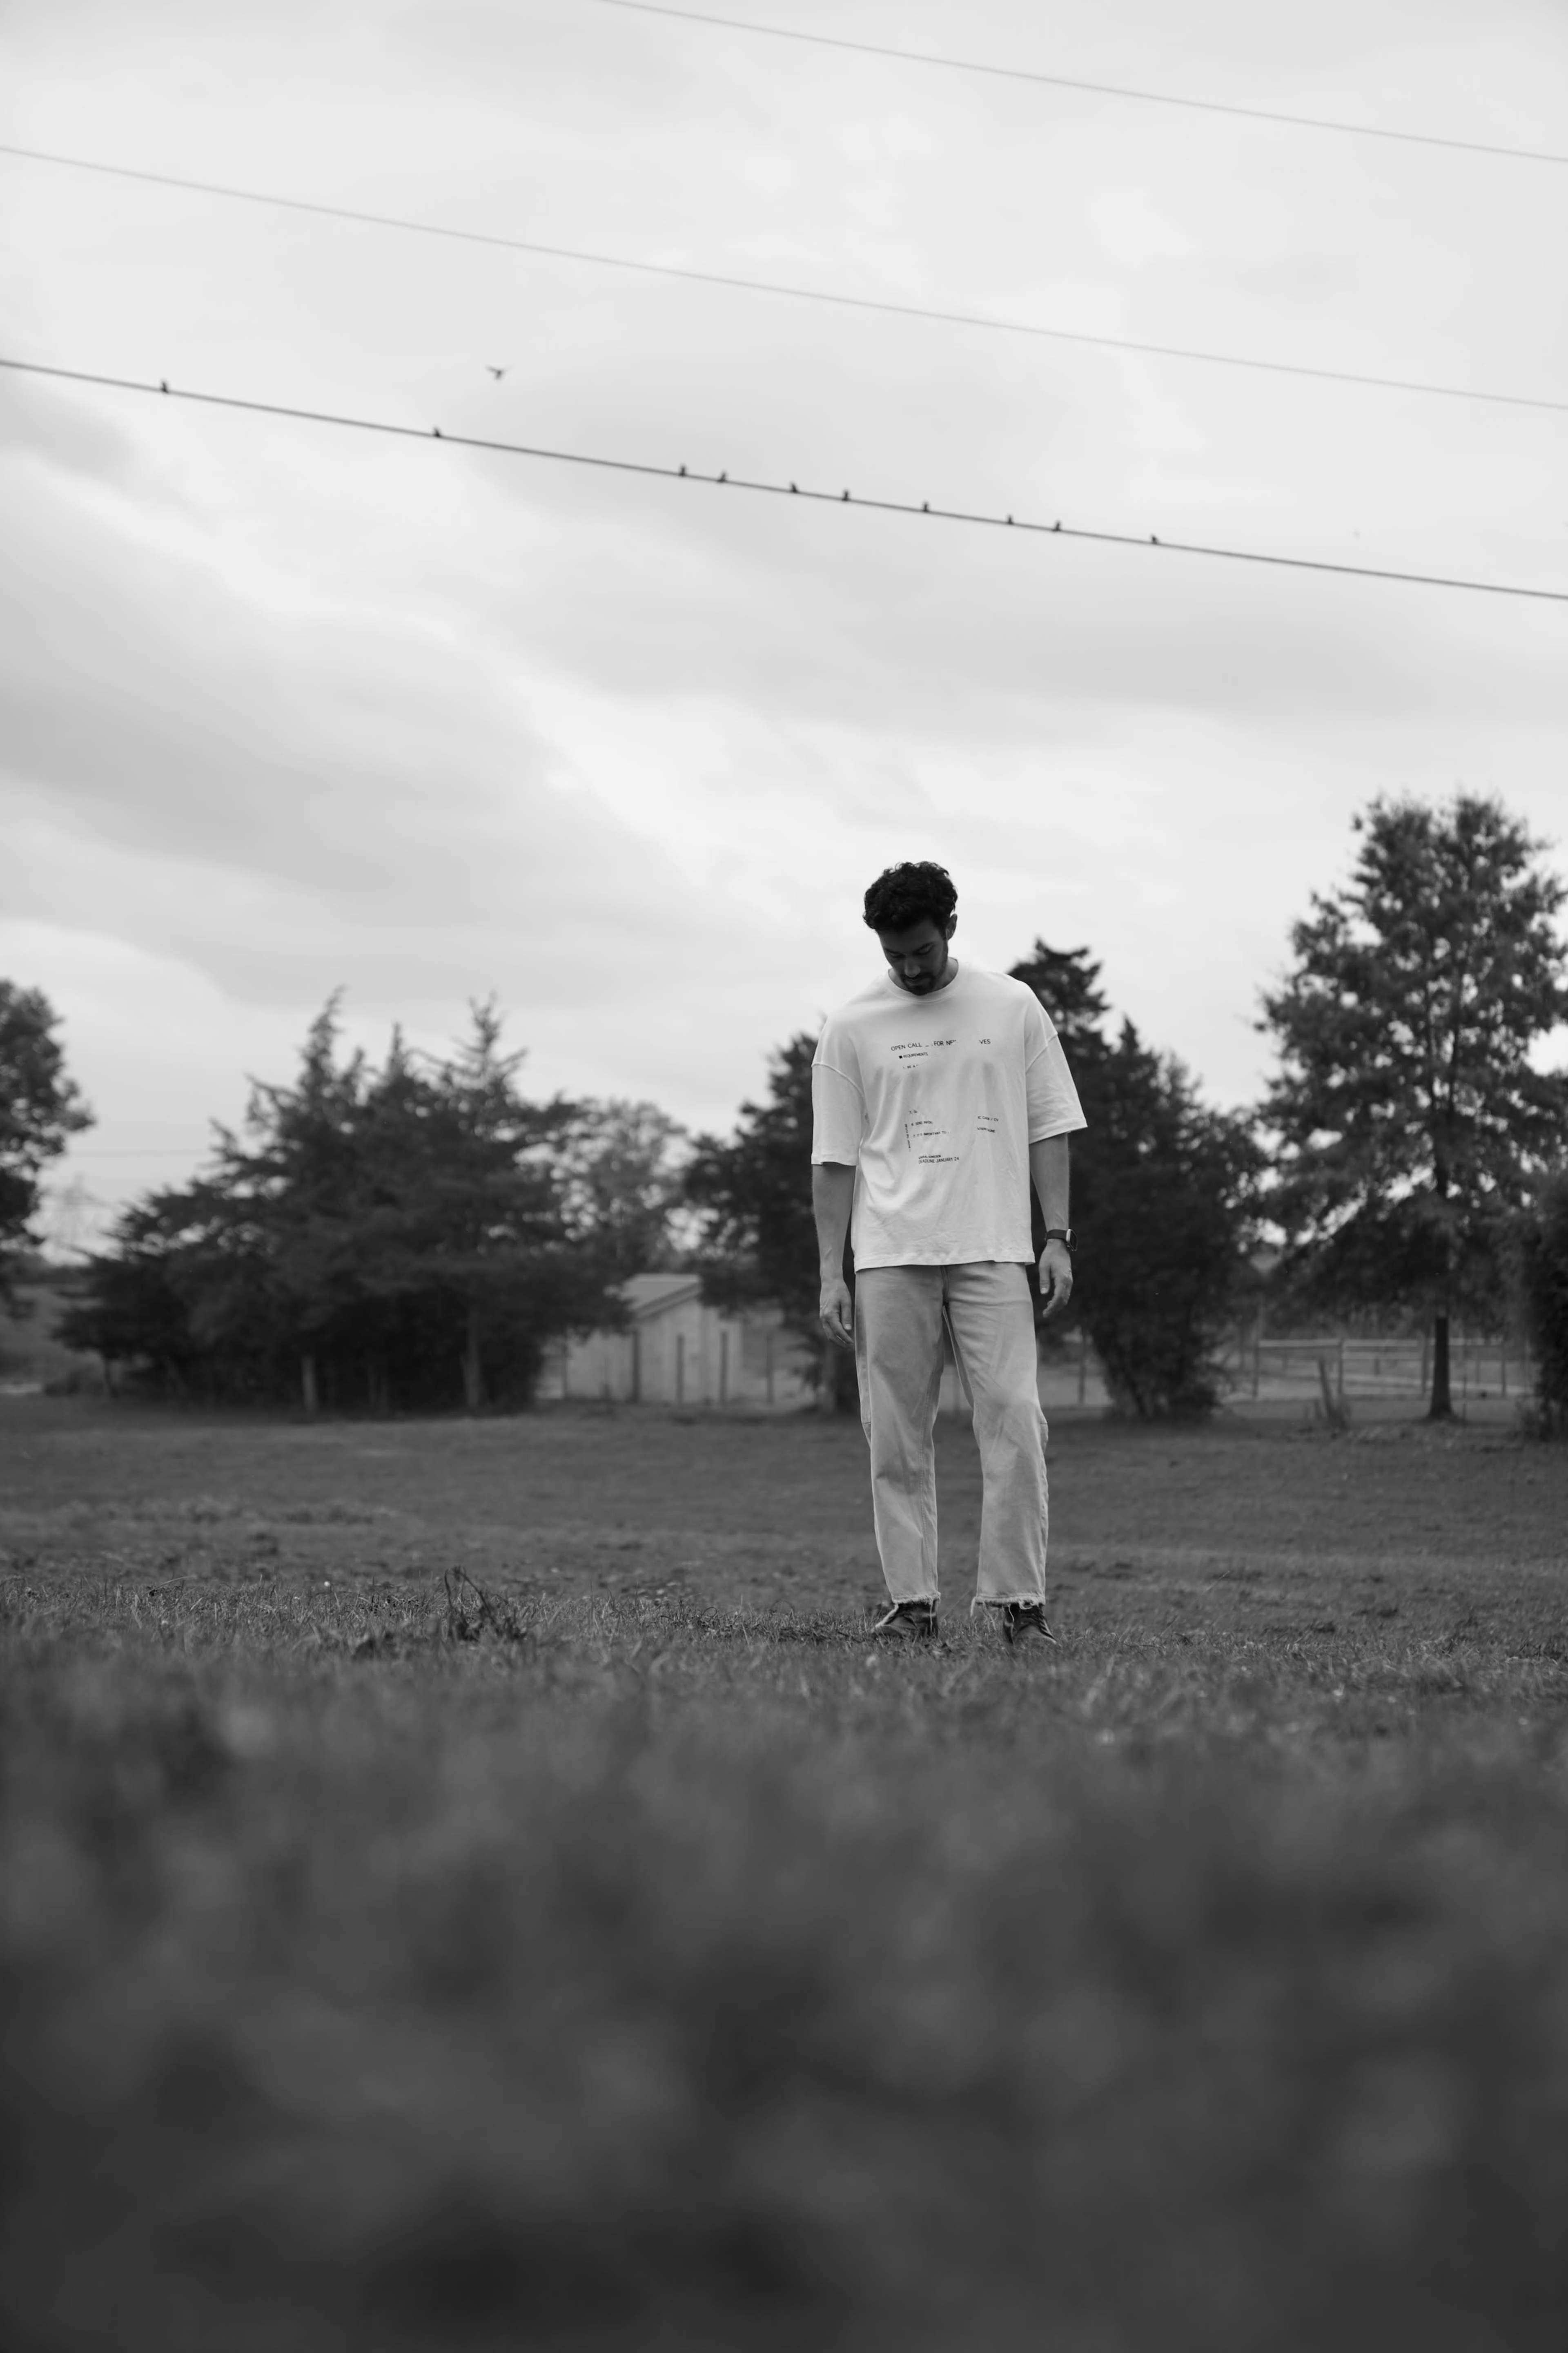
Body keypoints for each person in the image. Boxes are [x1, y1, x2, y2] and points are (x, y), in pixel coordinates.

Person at [811, 861, 1085, 1644]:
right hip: (890, 1256)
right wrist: (831, 1269)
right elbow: (833, 1160)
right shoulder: (851, 1026)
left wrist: (1057, 1238)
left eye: (923, 950)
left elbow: (1049, 1124)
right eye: (896, 954)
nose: (910, 967)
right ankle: (912, 1604)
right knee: (893, 1434)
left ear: (952, 928)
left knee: (1016, 1422)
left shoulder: (1012, 1006)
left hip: (995, 1249)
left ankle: (1015, 1605)